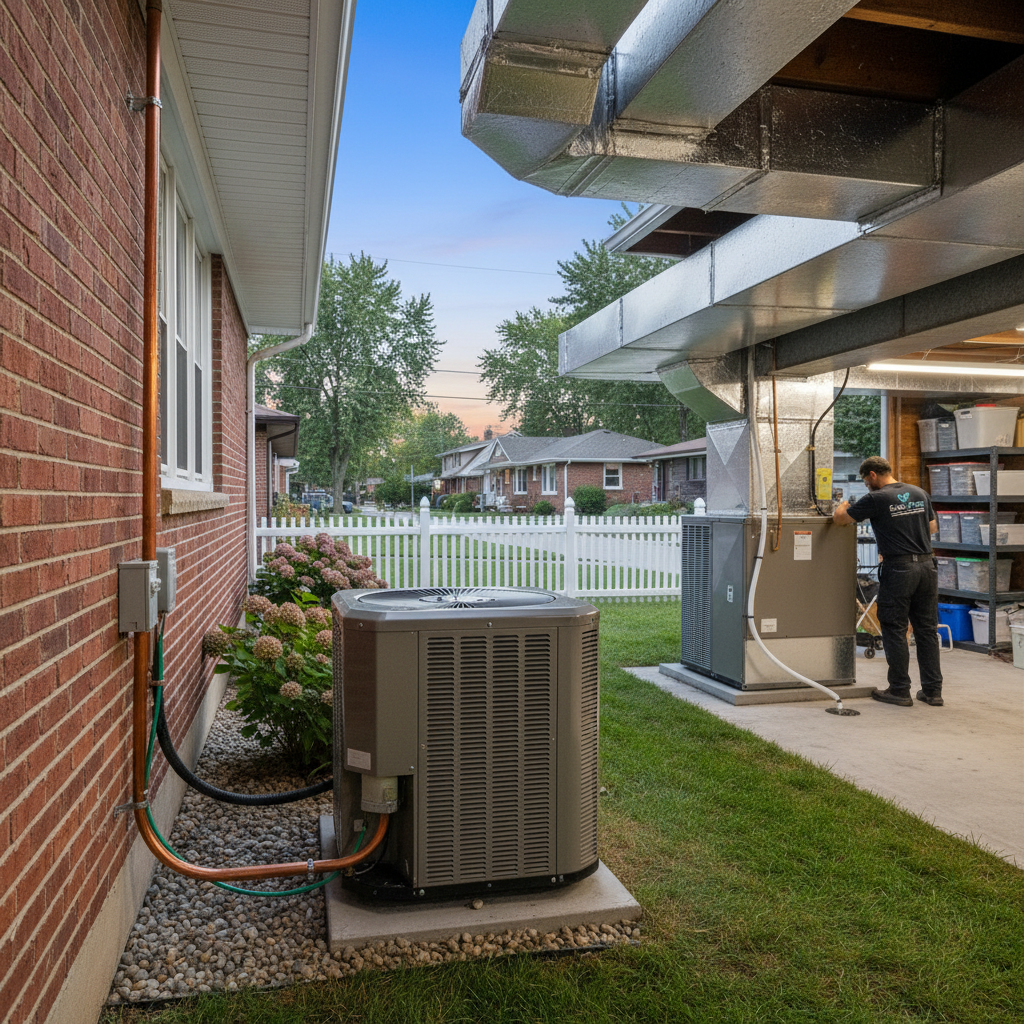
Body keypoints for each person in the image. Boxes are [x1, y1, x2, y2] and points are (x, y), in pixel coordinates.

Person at [833, 456, 944, 707]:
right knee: (926, 630)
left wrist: (843, 504)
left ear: (872, 475)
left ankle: (899, 690)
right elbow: (933, 527)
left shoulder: (876, 498)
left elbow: (841, 519)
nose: (866, 486)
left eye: (864, 481)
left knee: (894, 627)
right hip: (927, 566)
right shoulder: (918, 492)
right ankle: (933, 692)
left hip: (900, 568)